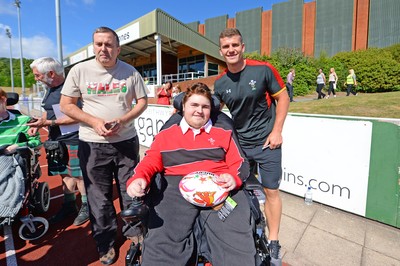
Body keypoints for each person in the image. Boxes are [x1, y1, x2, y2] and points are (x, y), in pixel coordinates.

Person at [127, 83, 256, 265]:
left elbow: (240, 162)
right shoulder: (167, 134)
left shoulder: (223, 131)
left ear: (211, 109)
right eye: (194, 105)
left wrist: (233, 178)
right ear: (184, 107)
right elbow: (151, 159)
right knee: (162, 244)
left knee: (236, 243)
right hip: (175, 186)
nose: (199, 111)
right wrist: (140, 178)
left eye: (205, 106)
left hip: (218, 185)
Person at [59, 26, 148, 265]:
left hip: (126, 143)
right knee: (99, 198)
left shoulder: (130, 72)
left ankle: (136, 235)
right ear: (93, 47)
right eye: (99, 44)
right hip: (93, 143)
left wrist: (123, 119)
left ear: (118, 48)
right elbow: (67, 105)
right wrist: (94, 121)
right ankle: (106, 243)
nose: (103, 49)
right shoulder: (79, 70)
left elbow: (142, 102)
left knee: (132, 191)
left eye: (109, 44)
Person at [214, 28, 290, 265]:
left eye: (235, 45)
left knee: (271, 192)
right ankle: (249, 231)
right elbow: (210, 110)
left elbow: (283, 97)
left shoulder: (263, 69)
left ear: (243, 47)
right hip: (241, 146)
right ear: (221, 51)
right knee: (242, 192)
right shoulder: (220, 82)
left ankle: (274, 241)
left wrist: (277, 131)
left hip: (268, 144)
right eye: (226, 47)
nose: (231, 50)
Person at [28, 57, 89, 226]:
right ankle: (70, 205)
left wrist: (48, 123)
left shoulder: (71, 88)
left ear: (51, 73)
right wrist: (39, 125)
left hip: (74, 139)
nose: (36, 79)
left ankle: (86, 206)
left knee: (79, 176)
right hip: (55, 140)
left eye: (37, 75)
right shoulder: (49, 89)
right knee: (64, 175)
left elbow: (78, 116)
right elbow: (48, 111)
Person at [0, 88, 41, 153]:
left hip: (13, 160)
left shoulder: (25, 121)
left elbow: (37, 143)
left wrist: (17, 146)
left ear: (4, 100)